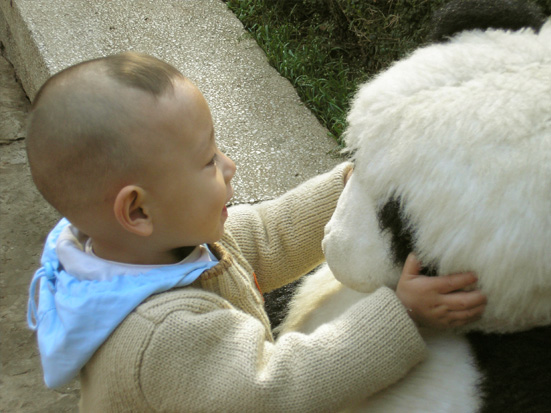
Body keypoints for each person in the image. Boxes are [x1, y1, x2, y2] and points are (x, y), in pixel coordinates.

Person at [26, 52, 486, 412]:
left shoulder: (159, 244)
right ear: (138, 210)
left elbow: (269, 234)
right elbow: (277, 388)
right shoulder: (159, 336)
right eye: (208, 160)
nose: (229, 165)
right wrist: (403, 314)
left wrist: (355, 182)